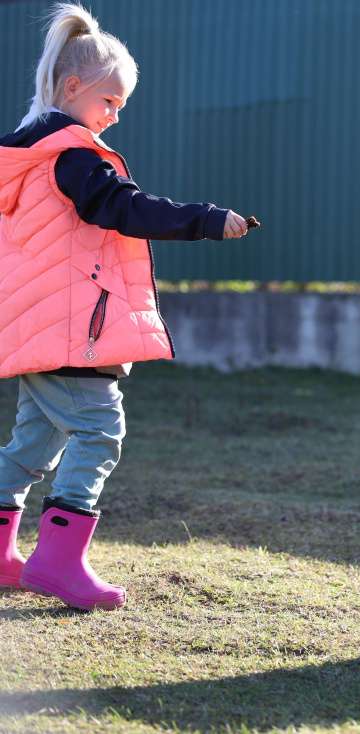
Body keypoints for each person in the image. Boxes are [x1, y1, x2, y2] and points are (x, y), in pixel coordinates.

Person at [0, 3, 252, 610]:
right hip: (69, 334)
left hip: (40, 331)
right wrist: (206, 220)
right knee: (99, 429)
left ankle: (6, 556)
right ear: (72, 87)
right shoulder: (72, 157)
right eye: (110, 102)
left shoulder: (33, 156)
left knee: (33, 444)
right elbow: (123, 208)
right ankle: (58, 563)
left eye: (121, 107)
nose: (115, 116)